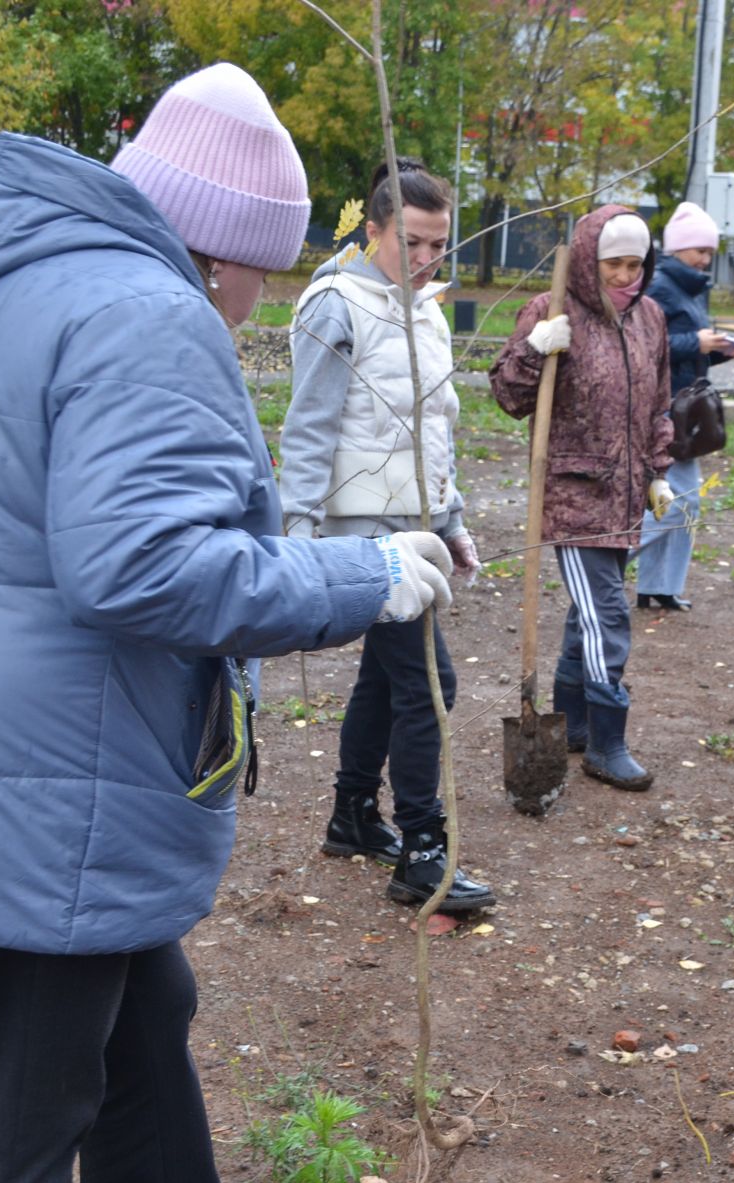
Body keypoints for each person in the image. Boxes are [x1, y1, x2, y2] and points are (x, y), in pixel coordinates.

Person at [0, 65, 456, 1183]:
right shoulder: (148, 311)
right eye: (267, 261)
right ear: (224, 247)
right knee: (22, 1127)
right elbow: (145, 567)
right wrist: (367, 577)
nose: (264, 295)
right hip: (42, 779)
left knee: (145, 1018)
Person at [279, 157, 495, 913]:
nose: (429, 259)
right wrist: (299, 536)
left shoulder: (427, 311)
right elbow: (308, 426)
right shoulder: (336, 306)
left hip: (419, 525)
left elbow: (433, 432)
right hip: (363, 532)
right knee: (432, 686)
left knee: (387, 675)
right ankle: (424, 854)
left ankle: (352, 816)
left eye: (440, 245)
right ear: (372, 231)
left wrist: (452, 518)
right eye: (413, 242)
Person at [491, 206, 673, 791]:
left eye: (635, 265)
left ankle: (567, 722)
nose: (626, 277)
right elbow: (508, 396)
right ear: (590, 261)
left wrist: (658, 473)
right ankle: (605, 740)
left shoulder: (651, 318)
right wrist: (535, 349)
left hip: (624, 496)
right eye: (614, 265)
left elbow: (657, 404)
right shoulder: (552, 309)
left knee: (587, 615)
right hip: (572, 492)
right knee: (607, 616)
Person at [632, 200, 734, 611]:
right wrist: (696, 343)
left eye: (710, 251)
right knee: (681, 502)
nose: (705, 258)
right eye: (699, 250)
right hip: (664, 411)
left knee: (683, 501)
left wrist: (716, 352)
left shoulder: (692, 290)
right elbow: (647, 346)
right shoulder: (660, 287)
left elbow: (687, 350)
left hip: (686, 411)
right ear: (677, 249)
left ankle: (659, 587)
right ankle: (608, 563)